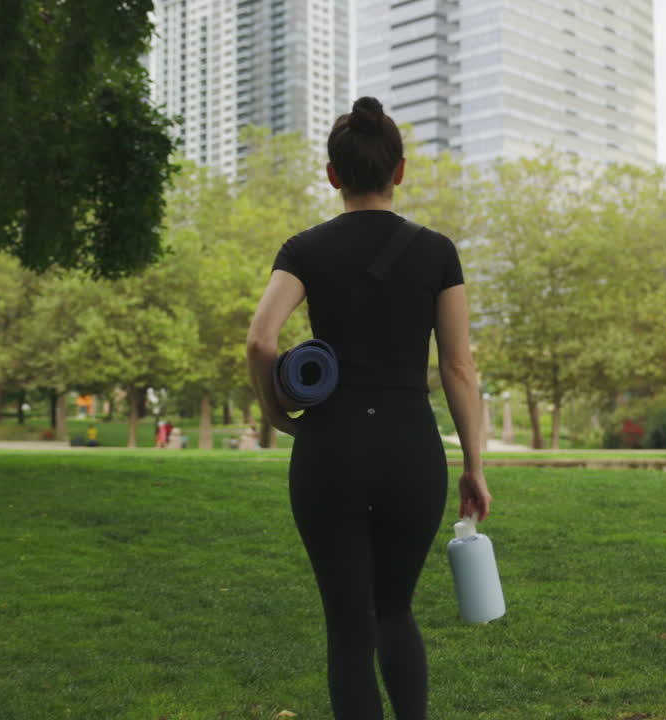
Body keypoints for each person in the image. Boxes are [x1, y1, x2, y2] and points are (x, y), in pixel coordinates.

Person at [246, 96, 490, 720]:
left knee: (350, 630)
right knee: (395, 611)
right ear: (399, 172)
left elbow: (260, 339)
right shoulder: (438, 252)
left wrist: (275, 411)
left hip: (332, 449)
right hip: (412, 449)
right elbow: (459, 366)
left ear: (333, 175)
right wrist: (474, 465)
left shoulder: (303, 250)